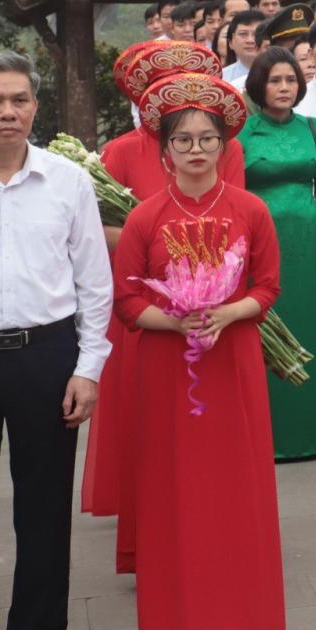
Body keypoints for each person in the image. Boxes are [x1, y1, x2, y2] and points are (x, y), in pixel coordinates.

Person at [112, 73, 285, 630]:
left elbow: (267, 287)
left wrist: (226, 312)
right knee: (173, 490)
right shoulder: (144, 218)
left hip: (232, 362)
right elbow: (128, 302)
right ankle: (178, 629)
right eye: (182, 140)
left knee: (237, 486)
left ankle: (248, 623)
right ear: (164, 151)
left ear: (223, 145)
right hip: (166, 369)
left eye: (206, 138)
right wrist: (176, 320)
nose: (194, 149)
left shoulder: (250, 210)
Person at [0, 53, 111, 630]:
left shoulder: (67, 181)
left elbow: (94, 284)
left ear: (34, 107)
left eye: (19, 100)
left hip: (47, 356)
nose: (8, 112)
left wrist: (88, 367)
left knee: (44, 508)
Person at [84, 42, 245, 542]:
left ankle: (217, 527)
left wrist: (208, 282)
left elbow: (235, 222)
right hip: (150, 307)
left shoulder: (228, 148)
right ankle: (148, 539)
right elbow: (96, 228)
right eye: (167, 85)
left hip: (217, 306)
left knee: (216, 431)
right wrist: (151, 236)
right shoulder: (121, 151)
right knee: (150, 430)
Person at [239, 47, 316, 460]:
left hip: (307, 244)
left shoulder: (314, 129)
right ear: (258, 85)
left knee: (314, 328)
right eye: (275, 81)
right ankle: (271, 434)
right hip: (260, 245)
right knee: (267, 329)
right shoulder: (241, 135)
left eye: (290, 81)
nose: (284, 88)